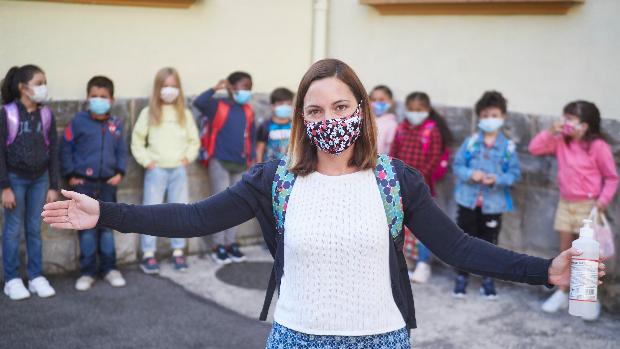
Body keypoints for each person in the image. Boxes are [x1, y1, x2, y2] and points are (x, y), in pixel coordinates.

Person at [43, 59, 605, 349]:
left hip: (381, 337)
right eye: (315, 112)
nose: (329, 121)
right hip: (296, 336)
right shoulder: (275, 181)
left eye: (341, 106)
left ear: (360, 109)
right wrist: (107, 211)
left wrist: (542, 271)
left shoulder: (396, 181)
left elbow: (458, 246)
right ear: (302, 121)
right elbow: (195, 216)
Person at [530, 100, 617, 319]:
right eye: (564, 117)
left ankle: (589, 297)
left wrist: (602, 201)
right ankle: (561, 292)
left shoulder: (598, 146)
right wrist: (550, 132)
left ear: (585, 125)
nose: (564, 122)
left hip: (589, 207)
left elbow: (611, 177)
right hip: (565, 204)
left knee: (588, 257)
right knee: (565, 252)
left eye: (570, 119)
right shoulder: (561, 141)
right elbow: (534, 148)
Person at [60, 75, 127, 291]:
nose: (98, 100)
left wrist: (120, 172)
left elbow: (121, 151)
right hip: (84, 185)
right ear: (88, 98)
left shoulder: (116, 125)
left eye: (103, 97)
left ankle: (109, 269)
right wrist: (70, 174)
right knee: (86, 229)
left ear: (111, 100)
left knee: (107, 228)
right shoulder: (78, 122)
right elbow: (66, 148)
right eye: (94, 96)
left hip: (108, 183)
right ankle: (87, 272)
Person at [452, 91, 520, 299]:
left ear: (503, 117)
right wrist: (471, 174)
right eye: (485, 115)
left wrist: (497, 179)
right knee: (463, 240)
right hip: (467, 201)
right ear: (479, 117)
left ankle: (487, 279)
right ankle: (461, 276)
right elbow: (458, 166)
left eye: (494, 115)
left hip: (493, 204)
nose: (490, 119)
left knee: (489, 243)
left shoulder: (508, 147)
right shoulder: (471, 142)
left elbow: (514, 174)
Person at [131, 67, 200, 274]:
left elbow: (193, 140)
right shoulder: (148, 113)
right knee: (150, 211)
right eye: (165, 86)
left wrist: (187, 158)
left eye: (173, 86)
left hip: (178, 170)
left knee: (180, 211)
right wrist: (147, 161)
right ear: (158, 88)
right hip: (156, 171)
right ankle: (149, 254)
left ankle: (178, 251)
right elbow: (137, 141)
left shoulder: (184, 114)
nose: (169, 90)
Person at [1, 65, 59, 300]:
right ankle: (12, 279)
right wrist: (4, 186)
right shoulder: (7, 113)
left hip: (39, 180)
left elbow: (53, 150)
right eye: (39, 82)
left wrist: (54, 185)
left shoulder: (46, 115)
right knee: (13, 230)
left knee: (34, 228)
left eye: (44, 82)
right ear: (23, 87)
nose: (43, 87)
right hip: (14, 180)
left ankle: (35, 276)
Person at [390, 92, 452, 284]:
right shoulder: (401, 128)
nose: (415, 113)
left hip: (420, 186)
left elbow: (434, 158)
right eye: (411, 109)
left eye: (419, 110)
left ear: (427, 110)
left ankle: (424, 264)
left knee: (423, 226)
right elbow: (394, 153)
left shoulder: (431, 130)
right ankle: (405, 262)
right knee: (401, 225)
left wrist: (416, 178)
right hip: (399, 185)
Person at [194, 71, 256, 264]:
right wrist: (216, 88)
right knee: (220, 205)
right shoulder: (217, 105)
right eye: (241, 87)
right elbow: (199, 103)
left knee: (237, 205)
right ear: (230, 87)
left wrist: (252, 158)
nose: (245, 91)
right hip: (219, 161)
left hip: (241, 163)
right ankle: (217, 245)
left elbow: (251, 137)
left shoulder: (248, 110)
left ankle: (231, 243)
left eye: (248, 88)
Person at [256, 87, 294, 163]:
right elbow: (259, 150)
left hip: (290, 168)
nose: (285, 107)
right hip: (270, 168)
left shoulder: (294, 126)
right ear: (272, 106)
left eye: (288, 104)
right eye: (280, 104)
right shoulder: (265, 126)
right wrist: (258, 169)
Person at [369, 85, 398, 154]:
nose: (377, 103)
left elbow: (390, 149)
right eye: (373, 100)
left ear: (391, 102)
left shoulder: (392, 125)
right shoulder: (366, 119)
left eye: (381, 100)